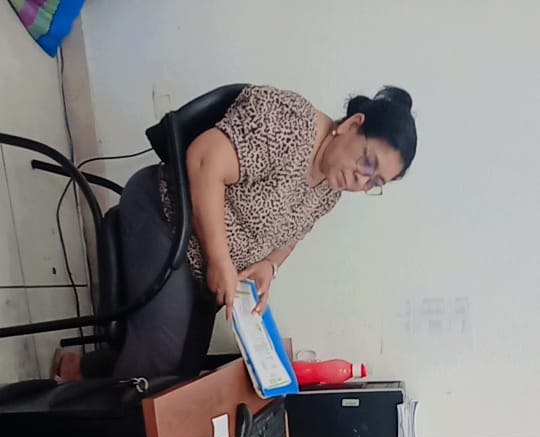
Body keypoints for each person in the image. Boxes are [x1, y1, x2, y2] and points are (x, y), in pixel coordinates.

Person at [53, 83, 418, 382]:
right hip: (166, 218)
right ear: (353, 125)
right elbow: (203, 161)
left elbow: (294, 233)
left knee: (186, 368)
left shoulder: (329, 189)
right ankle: (104, 432)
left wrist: (270, 265)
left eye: (374, 182)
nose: (360, 181)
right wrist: (219, 259)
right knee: (162, 360)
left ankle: (82, 372)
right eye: (367, 162)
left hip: (204, 265)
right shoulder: (291, 124)